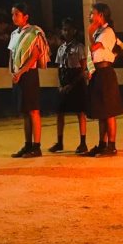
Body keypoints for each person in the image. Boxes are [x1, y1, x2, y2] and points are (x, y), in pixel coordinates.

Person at [7, 2, 49, 158]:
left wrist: (20, 72)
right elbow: (11, 55)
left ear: (26, 16)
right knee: (25, 112)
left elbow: (35, 56)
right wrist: (12, 72)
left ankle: (37, 146)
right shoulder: (14, 34)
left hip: (29, 74)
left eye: (17, 14)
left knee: (33, 110)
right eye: (12, 14)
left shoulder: (34, 32)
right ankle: (27, 144)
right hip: (18, 75)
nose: (14, 17)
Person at [82, 2, 123, 157]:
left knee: (109, 111)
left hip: (106, 72)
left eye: (92, 13)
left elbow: (94, 48)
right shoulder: (99, 32)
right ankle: (102, 144)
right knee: (101, 111)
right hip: (98, 72)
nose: (90, 16)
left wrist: (89, 33)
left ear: (101, 15)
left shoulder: (107, 31)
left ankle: (111, 146)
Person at [48, 17, 88, 154]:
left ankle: (83, 142)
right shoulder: (61, 48)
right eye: (64, 30)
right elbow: (59, 68)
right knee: (60, 112)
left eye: (68, 30)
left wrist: (71, 84)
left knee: (80, 112)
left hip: (76, 80)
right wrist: (60, 84)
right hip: (64, 79)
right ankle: (59, 142)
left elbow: (83, 68)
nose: (66, 32)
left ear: (74, 31)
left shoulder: (79, 47)